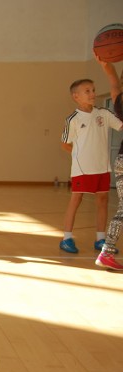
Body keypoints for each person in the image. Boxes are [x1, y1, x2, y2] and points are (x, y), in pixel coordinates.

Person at [59, 75, 123, 254]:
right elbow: (64, 143)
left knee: (103, 200)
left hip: (103, 167)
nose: (92, 94)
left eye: (93, 90)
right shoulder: (73, 119)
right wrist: (80, 156)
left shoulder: (104, 114)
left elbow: (121, 126)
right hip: (82, 169)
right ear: (76, 96)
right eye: (87, 91)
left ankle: (100, 239)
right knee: (76, 200)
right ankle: (66, 238)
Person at [95, 57, 123, 270]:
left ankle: (107, 251)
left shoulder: (120, 100)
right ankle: (107, 251)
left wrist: (107, 65)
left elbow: (114, 83)